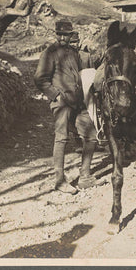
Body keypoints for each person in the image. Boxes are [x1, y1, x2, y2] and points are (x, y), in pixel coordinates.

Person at [34, 18, 98, 194]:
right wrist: (56, 96)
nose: (63, 38)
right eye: (60, 34)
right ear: (56, 34)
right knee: (61, 138)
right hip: (61, 102)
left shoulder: (73, 52)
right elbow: (40, 79)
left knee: (91, 135)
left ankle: (85, 176)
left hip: (77, 101)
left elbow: (79, 75)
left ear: (71, 36)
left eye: (66, 35)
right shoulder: (50, 53)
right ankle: (60, 180)